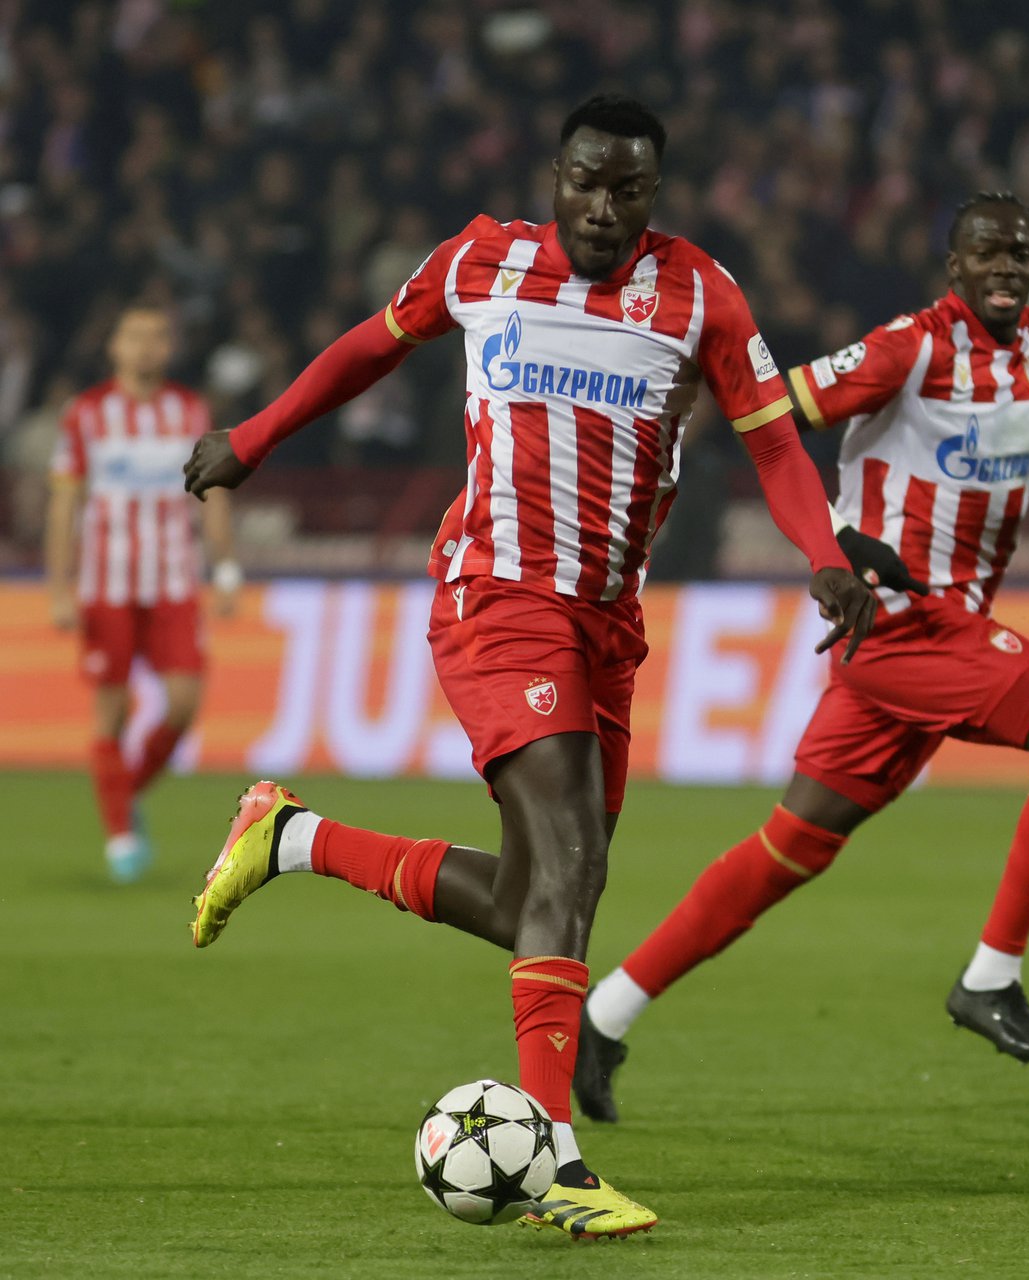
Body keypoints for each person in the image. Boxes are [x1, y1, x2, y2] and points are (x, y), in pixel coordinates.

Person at [181, 94, 874, 1239]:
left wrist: (827, 556)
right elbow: (366, 347)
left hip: (608, 623)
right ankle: (555, 1161)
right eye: (585, 183)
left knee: (536, 899)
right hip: (499, 595)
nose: (602, 207)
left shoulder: (701, 292)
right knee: (569, 859)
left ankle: (290, 836)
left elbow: (771, 439)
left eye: (627, 190)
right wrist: (253, 439)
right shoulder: (482, 260)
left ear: (654, 195)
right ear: (555, 176)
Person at [569, 192, 1029, 1123]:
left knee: (789, 850)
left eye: (1019, 254)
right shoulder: (910, 348)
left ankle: (606, 1013)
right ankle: (991, 978)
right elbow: (767, 410)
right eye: (986, 252)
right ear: (955, 268)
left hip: (935, 639)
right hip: (901, 624)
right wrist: (834, 541)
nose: (1005, 267)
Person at [45, 305, 239, 882]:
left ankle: (122, 794)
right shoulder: (86, 414)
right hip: (107, 583)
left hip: (175, 581)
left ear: (169, 347)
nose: (145, 347)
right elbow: (64, 504)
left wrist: (225, 568)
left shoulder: (190, 410)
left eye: (156, 337)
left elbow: (214, 493)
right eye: (134, 336)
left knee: (183, 704)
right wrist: (59, 588)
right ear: (114, 346)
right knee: (112, 708)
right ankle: (121, 839)